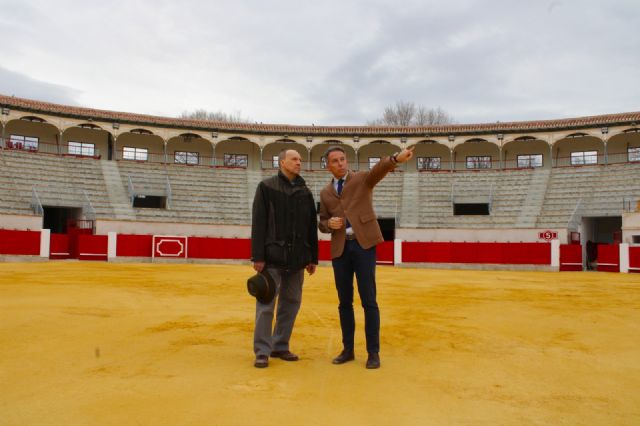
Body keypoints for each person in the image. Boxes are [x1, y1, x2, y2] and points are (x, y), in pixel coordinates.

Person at [318, 145, 414, 369]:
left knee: (369, 300)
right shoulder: (325, 193)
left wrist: (395, 159)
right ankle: (348, 350)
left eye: (343, 159)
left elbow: (379, 170)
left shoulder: (362, 179)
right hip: (340, 249)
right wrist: (328, 224)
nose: (341, 163)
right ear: (328, 166)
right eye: (335, 161)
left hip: (363, 246)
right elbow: (322, 221)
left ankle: (373, 352)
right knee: (344, 302)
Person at [251, 149, 318, 368]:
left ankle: (280, 345)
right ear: (282, 162)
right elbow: (258, 223)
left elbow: (311, 227)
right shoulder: (266, 187)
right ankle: (262, 350)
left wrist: (313, 257)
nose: (300, 162)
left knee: (291, 304)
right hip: (272, 257)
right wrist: (258, 256)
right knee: (266, 304)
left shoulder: (305, 192)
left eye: (300, 159)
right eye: (295, 159)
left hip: (298, 258)